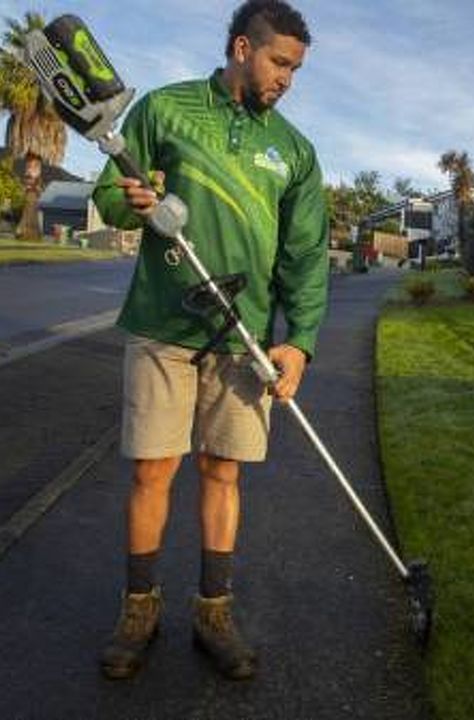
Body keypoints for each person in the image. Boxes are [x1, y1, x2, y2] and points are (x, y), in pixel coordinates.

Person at [93, 0, 328, 681]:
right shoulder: (166, 110)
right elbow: (112, 194)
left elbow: (305, 255)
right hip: (164, 323)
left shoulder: (295, 151)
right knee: (151, 470)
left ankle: (213, 613)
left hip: (244, 335)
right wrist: (129, 200)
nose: (287, 78)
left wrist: (301, 341)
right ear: (239, 49)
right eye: (279, 62)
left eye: (295, 69)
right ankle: (139, 608)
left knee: (223, 472)